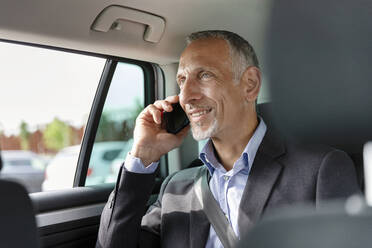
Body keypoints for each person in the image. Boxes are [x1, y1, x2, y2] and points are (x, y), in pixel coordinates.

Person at [96, 30, 360, 248]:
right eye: (182, 80)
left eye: (204, 75)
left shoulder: (319, 170)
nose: (187, 96)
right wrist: (142, 155)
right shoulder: (177, 188)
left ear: (250, 84)